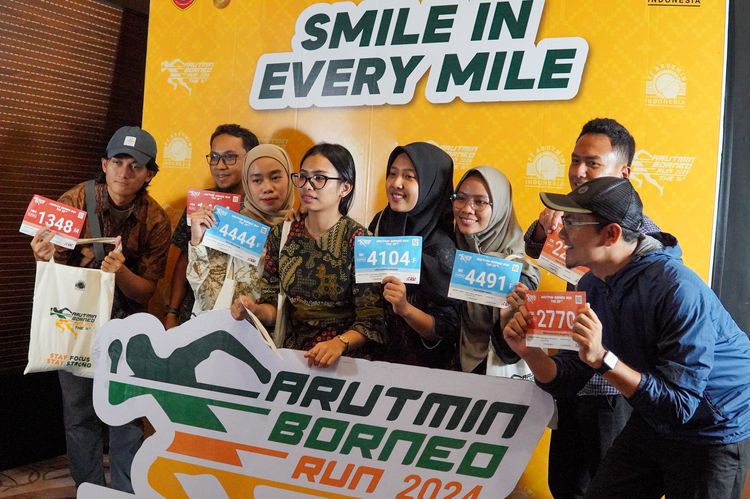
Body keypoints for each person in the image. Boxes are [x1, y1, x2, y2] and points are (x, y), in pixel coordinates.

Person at [504, 176, 750, 498]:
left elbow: (680, 405)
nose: (561, 233)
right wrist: (529, 352)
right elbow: (571, 375)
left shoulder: (678, 289)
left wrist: (603, 359)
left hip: (712, 427)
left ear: (611, 233)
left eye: (572, 222)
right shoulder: (591, 284)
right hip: (653, 418)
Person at [29, 126, 171, 492]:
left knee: (127, 413)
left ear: (149, 173)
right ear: (104, 164)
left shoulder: (156, 219)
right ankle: (88, 488)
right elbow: (56, 278)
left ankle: (125, 491)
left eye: (135, 166)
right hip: (74, 323)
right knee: (78, 413)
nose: (125, 172)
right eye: (118, 162)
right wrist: (44, 259)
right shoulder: (74, 201)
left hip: (126, 325)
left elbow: (145, 291)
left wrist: (119, 271)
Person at [524, 118, 659, 498]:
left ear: (624, 173)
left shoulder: (639, 236)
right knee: (565, 484)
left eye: (593, 163)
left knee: (610, 487)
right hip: (570, 373)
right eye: (575, 160)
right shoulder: (569, 215)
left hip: (611, 384)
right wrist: (546, 228)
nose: (579, 172)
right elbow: (538, 249)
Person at [231, 143, 385, 366]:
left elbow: (371, 320)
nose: (307, 186)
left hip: (344, 362)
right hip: (292, 359)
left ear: (345, 188)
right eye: (303, 177)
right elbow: (274, 306)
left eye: (319, 178)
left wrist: (339, 343)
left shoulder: (361, 241)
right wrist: (254, 311)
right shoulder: (281, 234)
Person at [369, 142, 460, 369]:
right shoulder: (381, 222)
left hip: (420, 374)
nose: (396, 183)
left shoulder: (442, 247)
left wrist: (405, 309)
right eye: (392, 173)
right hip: (371, 362)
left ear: (432, 186)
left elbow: (446, 329)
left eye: (409, 177)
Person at [165, 124, 259, 328]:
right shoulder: (199, 203)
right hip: (195, 313)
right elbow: (184, 259)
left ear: (251, 160)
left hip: (242, 318)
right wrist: (172, 312)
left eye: (230, 157)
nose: (219, 165)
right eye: (214, 157)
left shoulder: (263, 209)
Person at [452, 166, 540, 377]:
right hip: (445, 375)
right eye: (460, 198)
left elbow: (514, 351)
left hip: (491, 379)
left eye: (480, 202)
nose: (467, 209)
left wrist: (508, 319)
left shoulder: (516, 270)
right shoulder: (448, 249)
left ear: (500, 207)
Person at [186, 144, 294, 314]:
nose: (267, 188)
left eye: (275, 178)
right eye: (256, 180)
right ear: (246, 183)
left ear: (290, 178)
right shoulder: (229, 226)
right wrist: (197, 242)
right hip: (226, 325)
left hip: (276, 329)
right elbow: (206, 297)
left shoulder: (299, 230)